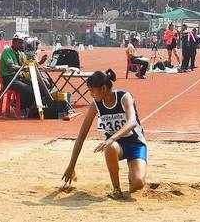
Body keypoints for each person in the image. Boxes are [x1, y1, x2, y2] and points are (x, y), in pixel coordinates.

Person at [62, 70, 147, 199]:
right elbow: (82, 135)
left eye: (92, 91)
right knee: (110, 147)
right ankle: (116, 189)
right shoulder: (96, 105)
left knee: (138, 183)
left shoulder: (124, 97)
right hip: (115, 147)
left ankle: (133, 174)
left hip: (135, 144)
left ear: (103, 88)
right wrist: (71, 165)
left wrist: (111, 138)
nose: (90, 94)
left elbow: (132, 122)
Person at [0, 32, 48, 116]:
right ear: (13, 42)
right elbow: (11, 66)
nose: (22, 45)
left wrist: (39, 62)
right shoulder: (7, 51)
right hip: (9, 78)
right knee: (29, 90)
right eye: (20, 43)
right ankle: (19, 106)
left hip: (19, 77)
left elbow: (28, 64)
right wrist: (24, 68)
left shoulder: (21, 53)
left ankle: (32, 108)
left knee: (40, 86)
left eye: (22, 43)